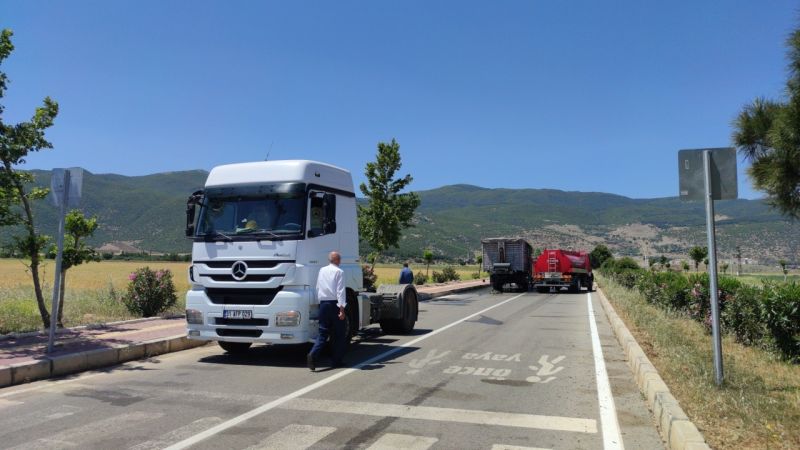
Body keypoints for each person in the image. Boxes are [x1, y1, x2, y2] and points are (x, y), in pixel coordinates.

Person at [307, 251, 347, 371]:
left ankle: (313, 354)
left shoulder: (322, 270)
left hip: (323, 304)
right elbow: (340, 291)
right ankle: (336, 360)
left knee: (323, 332)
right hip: (334, 304)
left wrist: (320, 303)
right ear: (337, 260)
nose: (340, 261)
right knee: (339, 333)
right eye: (339, 259)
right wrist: (342, 309)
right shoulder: (339, 272)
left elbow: (318, 287)